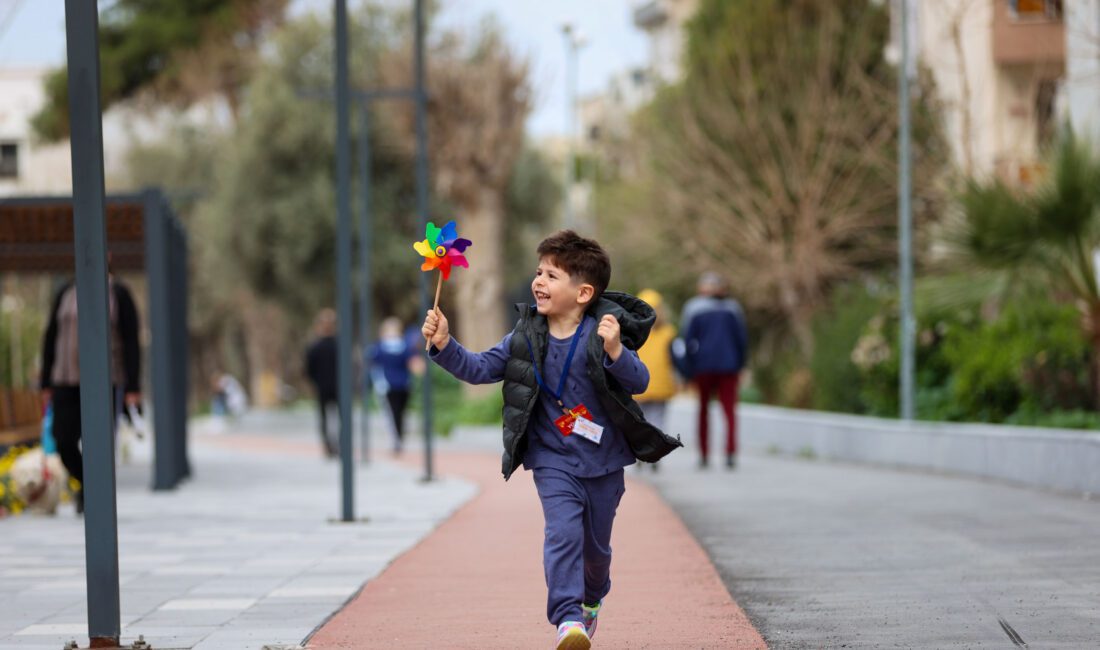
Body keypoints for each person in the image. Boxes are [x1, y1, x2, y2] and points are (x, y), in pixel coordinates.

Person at [422, 230, 681, 650]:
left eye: (552, 275)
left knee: (596, 552)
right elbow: (479, 368)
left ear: (583, 292)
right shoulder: (524, 336)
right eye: (538, 272)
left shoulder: (601, 333)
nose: (538, 281)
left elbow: (640, 381)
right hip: (552, 458)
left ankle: (592, 598)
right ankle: (567, 620)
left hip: (604, 460)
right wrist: (445, 343)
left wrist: (616, 350)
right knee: (562, 534)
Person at [40, 272, 142, 515]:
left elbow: (131, 340)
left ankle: (93, 496)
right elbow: (51, 336)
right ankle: (89, 486)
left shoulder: (118, 293)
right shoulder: (65, 292)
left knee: (101, 442)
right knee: (62, 439)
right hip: (64, 379)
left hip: (106, 380)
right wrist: (46, 381)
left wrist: (133, 386)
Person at [680, 272, 749, 470]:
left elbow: (687, 340)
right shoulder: (733, 309)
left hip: (703, 367)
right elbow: (741, 340)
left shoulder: (693, 308)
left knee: (703, 411)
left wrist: (688, 369)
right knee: (729, 411)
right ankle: (730, 452)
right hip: (729, 366)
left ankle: (704, 455)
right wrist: (741, 364)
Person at [633, 289, 679, 472]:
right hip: (661, 384)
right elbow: (675, 358)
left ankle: (640, 452)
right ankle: (656, 453)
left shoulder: (635, 330)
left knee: (640, 421)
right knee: (657, 420)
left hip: (638, 384)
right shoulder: (668, 332)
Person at [366, 317, 419, 454]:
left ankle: (398, 439)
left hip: (403, 384)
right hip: (388, 386)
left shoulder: (404, 347)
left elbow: (413, 363)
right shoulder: (380, 347)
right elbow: (373, 364)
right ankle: (396, 440)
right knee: (392, 413)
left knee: (400, 413)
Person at [305, 309, 339, 458]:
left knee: (327, 418)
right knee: (334, 417)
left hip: (326, 386)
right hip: (333, 386)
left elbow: (308, 369)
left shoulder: (316, 346)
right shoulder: (337, 345)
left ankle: (330, 446)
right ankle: (333, 445)